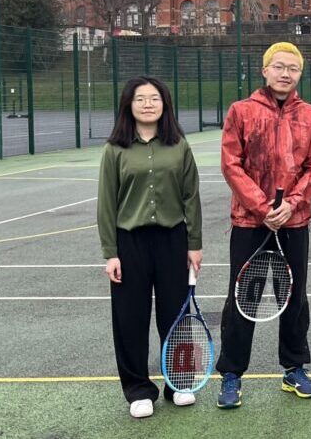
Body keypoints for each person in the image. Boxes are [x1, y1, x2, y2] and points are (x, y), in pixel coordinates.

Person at [214, 42, 311, 408]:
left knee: (294, 298)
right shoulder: (241, 111)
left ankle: (294, 369)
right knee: (242, 297)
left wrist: (292, 204)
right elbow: (232, 164)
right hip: (249, 222)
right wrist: (263, 208)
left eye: (292, 68)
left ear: (300, 74)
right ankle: (232, 375)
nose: (285, 73)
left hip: (294, 225)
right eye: (278, 66)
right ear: (264, 70)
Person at [97, 76, 202, 419]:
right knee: (130, 319)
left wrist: (194, 244)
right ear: (128, 105)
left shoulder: (179, 146)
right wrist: (110, 252)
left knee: (177, 316)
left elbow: (191, 197)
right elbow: (107, 205)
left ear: (164, 104)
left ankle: (180, 383)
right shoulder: (115, 150)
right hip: (130, 244)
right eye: (140, 99)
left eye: (154, 98)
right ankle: (138, 390)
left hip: (173, 240)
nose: (147, 104)